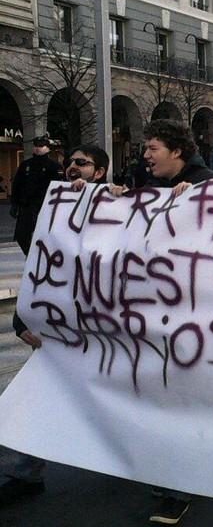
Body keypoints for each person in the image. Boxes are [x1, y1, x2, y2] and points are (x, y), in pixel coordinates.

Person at [115, 119, 213, 524]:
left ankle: (181, 487)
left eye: (153, 147)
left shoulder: (209, 184)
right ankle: (167, 474)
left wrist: (200, 202)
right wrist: (114, 201)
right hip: (157, 315)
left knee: (183, 402)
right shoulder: (153, 190)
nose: (145, 154)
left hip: (199, 319)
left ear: (176, 151)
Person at [0, 144, 108, 510]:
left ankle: (164, 477)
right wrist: (20, 321)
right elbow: (38, 271)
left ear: (101, 171)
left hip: (106, 334)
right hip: (60, 332)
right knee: (30, 401)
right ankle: (24, 473)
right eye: (71, 162)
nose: (73, 167)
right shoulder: (52, 207)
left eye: (83, 163)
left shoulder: (120, 208)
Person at [10, 136, 64, 256]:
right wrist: (15, 204)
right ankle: (31, 257)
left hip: (46, 206)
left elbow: (59, 188)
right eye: (36, 146)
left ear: (47, 148)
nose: (38, 148)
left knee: (46, 236)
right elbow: (18, 185)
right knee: (22, 235)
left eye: (41, 146)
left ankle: (44, 259)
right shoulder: (26, 165)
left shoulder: (54, 167)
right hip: (27, 205)